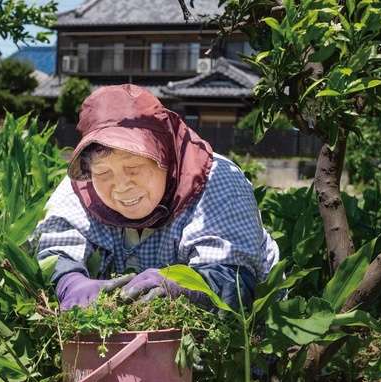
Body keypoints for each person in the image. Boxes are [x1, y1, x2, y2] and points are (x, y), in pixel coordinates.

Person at [31, 84, 279, 311]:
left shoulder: (218, 180)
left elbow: (235, 280)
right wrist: (70, 282)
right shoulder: (81, 186)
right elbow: (55, 252)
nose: (121, 186)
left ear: (166, 157)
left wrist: (189, 290)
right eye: (104, 172)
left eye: (133, 168)